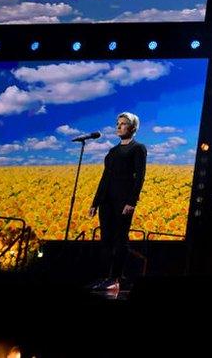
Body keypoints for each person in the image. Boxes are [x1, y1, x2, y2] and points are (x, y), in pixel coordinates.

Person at [88, 112, 147, 292]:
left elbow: (140, 177)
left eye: (123, 124)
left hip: (124, 201)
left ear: (133, 128)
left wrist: (132, 202)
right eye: (117, 124)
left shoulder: (138, 148)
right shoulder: (112, 152)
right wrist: (95, 203)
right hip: (107, 201)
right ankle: (105, 277)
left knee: (120, 240)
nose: (119, 127)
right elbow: (105, 178)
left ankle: (116, 278)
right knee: (106, 240)